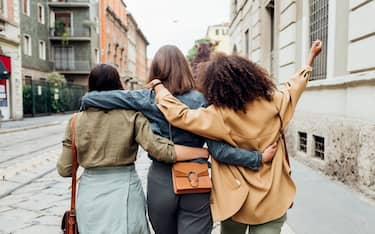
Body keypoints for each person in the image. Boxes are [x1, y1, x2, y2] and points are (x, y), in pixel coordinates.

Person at [81, 45, 278, 234]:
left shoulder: (146, 97)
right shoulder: (202, 100)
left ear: (156, 70)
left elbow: (97, 99)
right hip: (195, 179)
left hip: (161, 180)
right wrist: (258, 158)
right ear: (184, 68)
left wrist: (86, 100)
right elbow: (219, 151)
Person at [149, 41, 323, 234]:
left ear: (216, 85)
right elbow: (295, 85)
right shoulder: (274, 102)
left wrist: (160, 89)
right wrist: (311, 57)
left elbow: (180, 115)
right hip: (271, 199)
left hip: (236, 201)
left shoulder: (217, 114)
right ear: (252, 76)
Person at [57, 64, 215, 234]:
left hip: (90, 193)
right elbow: (159, 150)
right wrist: (202, 152)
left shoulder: (75, 121)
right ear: (118, 85)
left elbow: (65, 169)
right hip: (125, 190)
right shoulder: (132, 116)